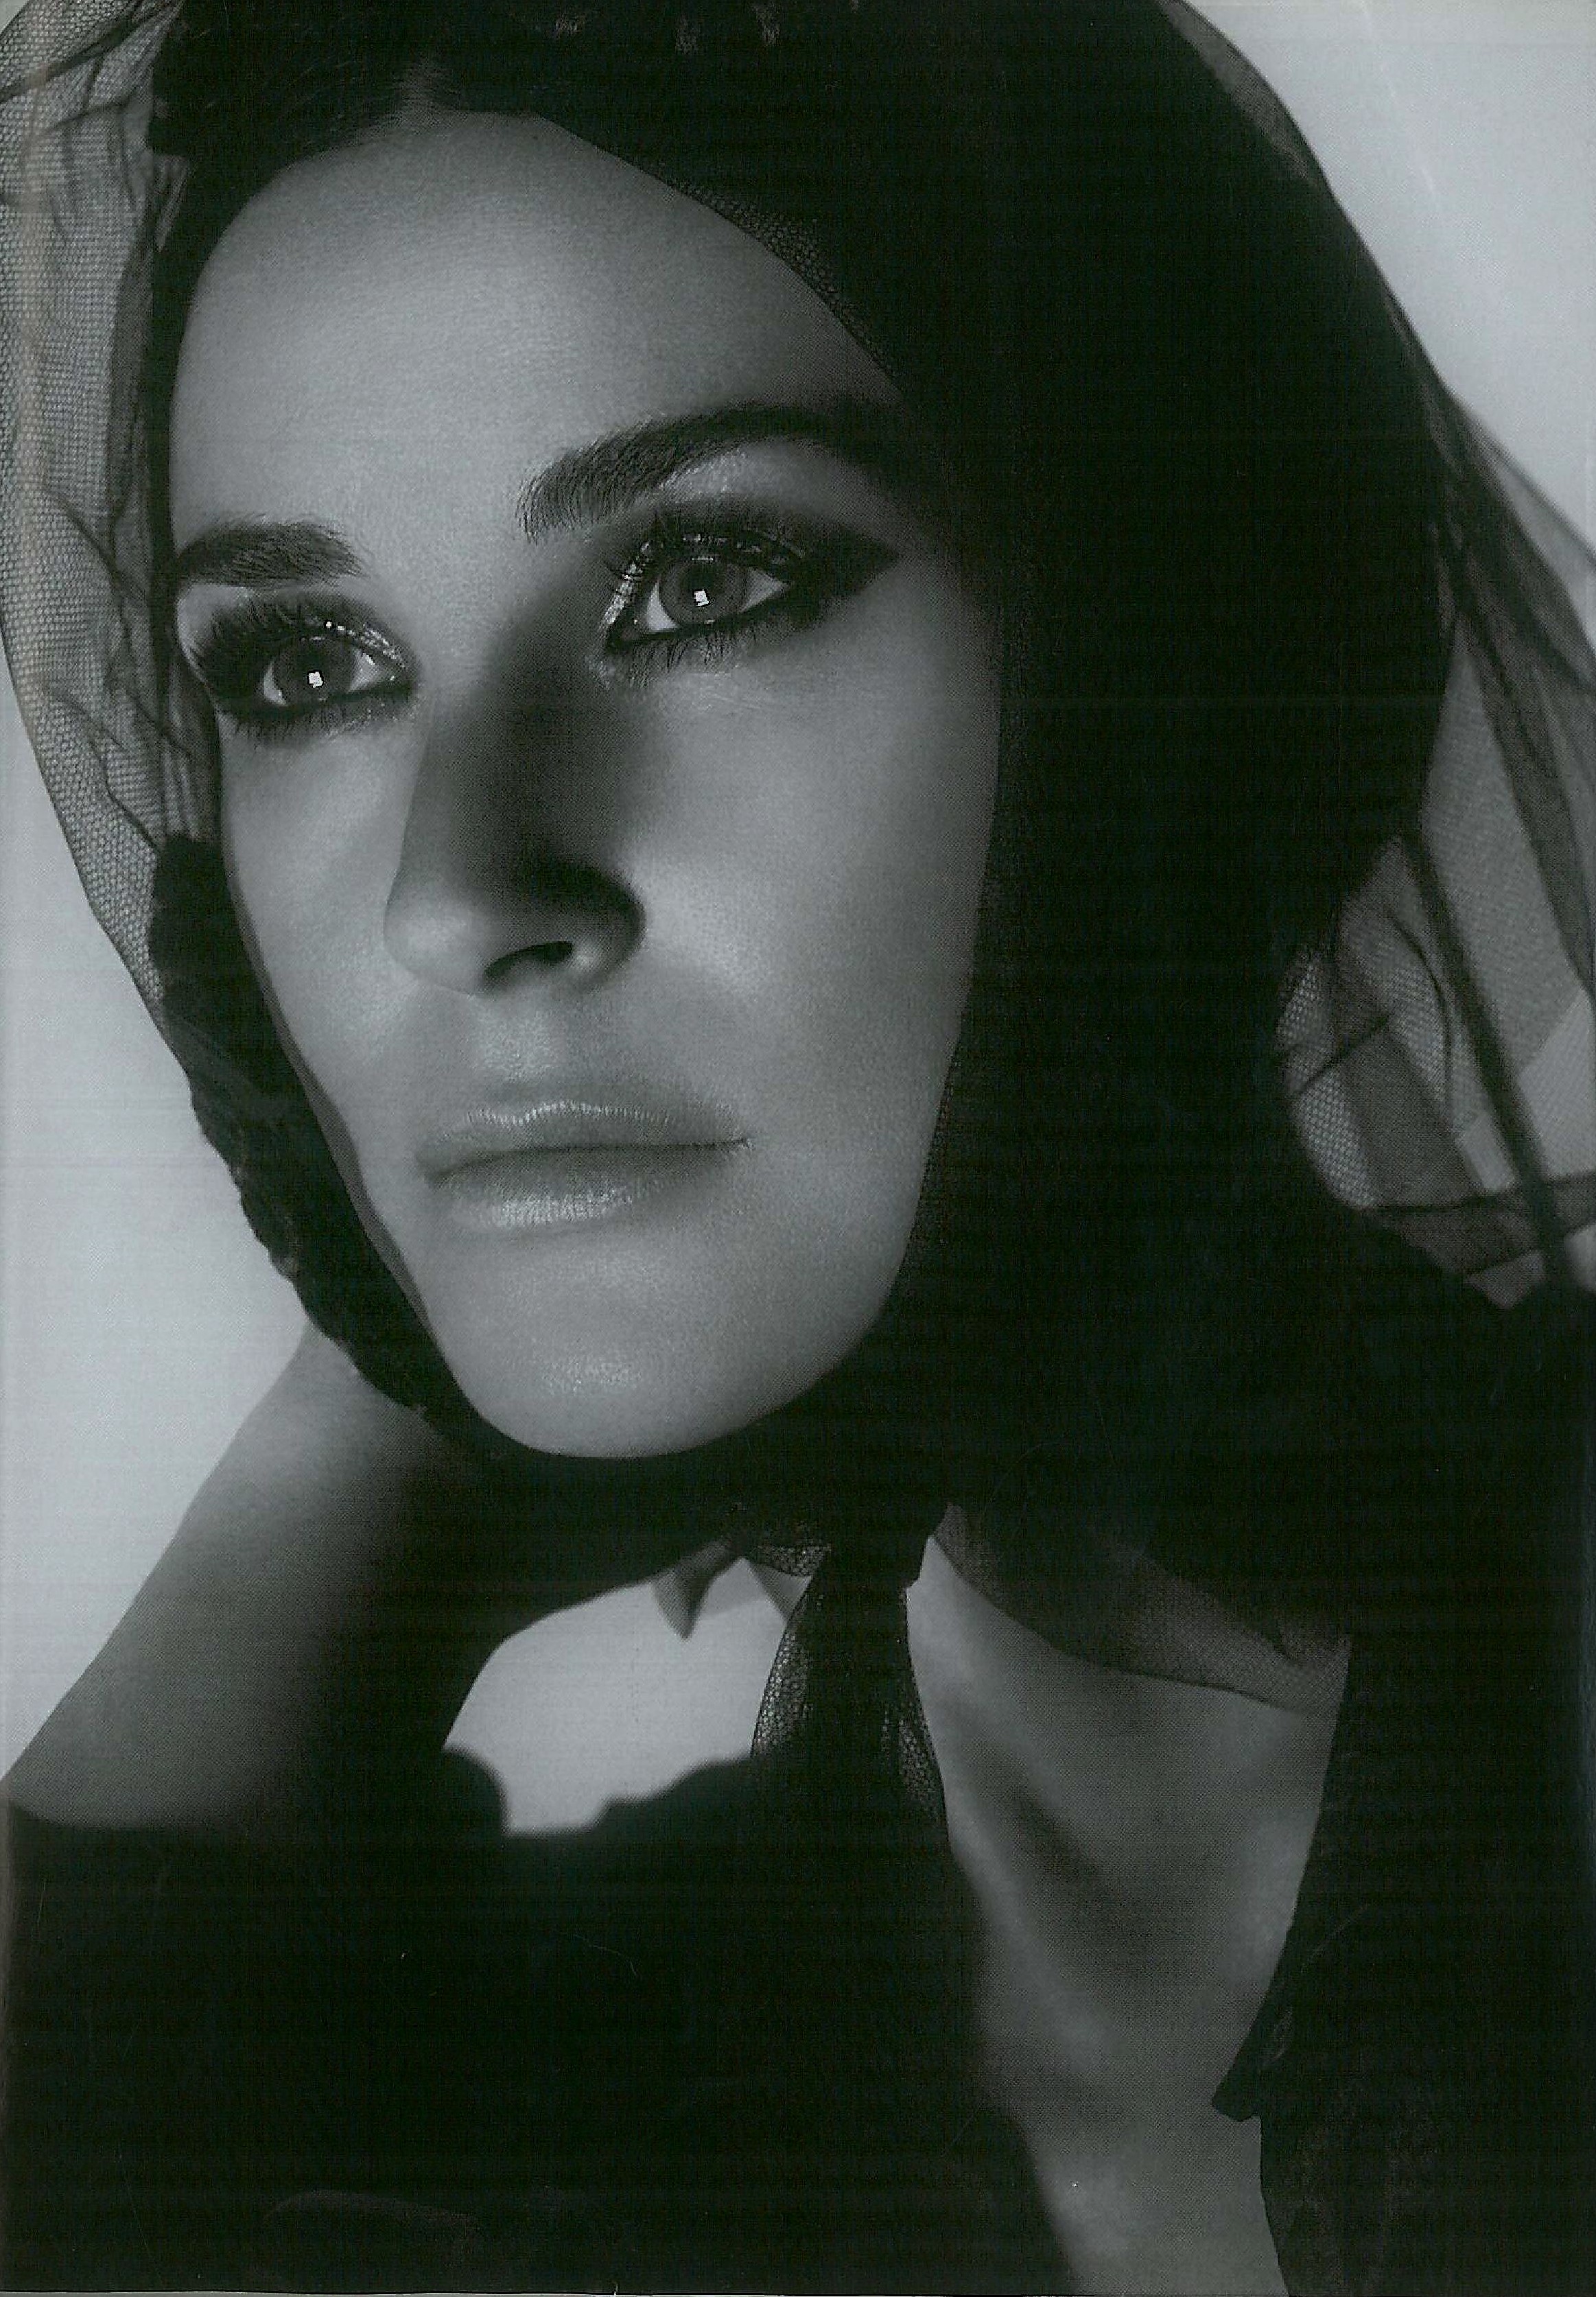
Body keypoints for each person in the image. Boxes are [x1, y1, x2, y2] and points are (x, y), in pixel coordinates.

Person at [1, 1, 1595, 2290]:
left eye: (704, 581)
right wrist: (357, 1450)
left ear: (1164, 658)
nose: (455, 890)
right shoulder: (571, 2066)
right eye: (307, 668)